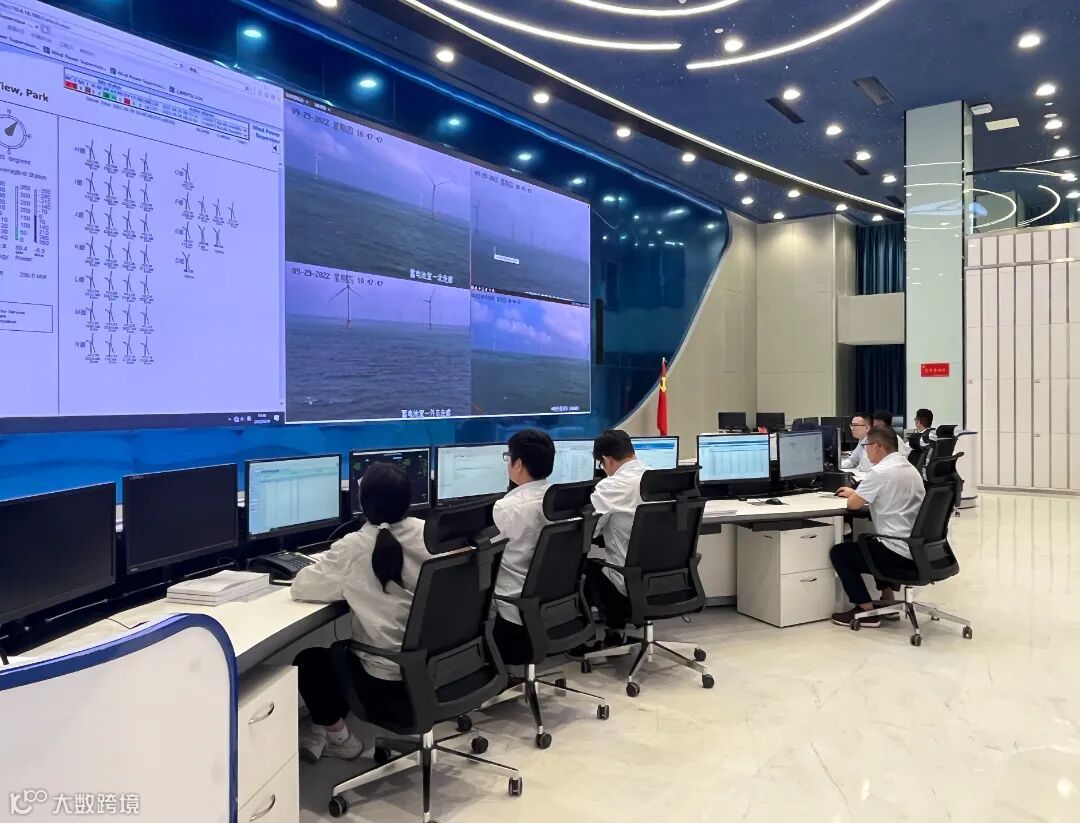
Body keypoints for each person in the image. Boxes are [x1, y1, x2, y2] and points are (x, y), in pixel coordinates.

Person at [290, 462, 426, 762]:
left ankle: (343, 741)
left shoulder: (353, 547)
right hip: (436, 670)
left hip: (385, 684)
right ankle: (324, 731)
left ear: (363, 503)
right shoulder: (429, 534)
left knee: (310, 662)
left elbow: (301, 587)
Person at [828, 426, 926, 628]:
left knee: (841, 553)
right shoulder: (909, 468)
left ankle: (865, 611)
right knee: (873, 541)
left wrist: (855, 494)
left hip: (898, 551)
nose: (865, 451)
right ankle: (888, 600)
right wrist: (860, 493)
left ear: (877, 446)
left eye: (866, 446)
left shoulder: (880, 472)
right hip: (919, 549)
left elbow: (853, 505)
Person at [490, 429, 555, 666]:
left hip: (514, 616)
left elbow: (483, 553)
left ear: (517, 464)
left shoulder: (506, 508)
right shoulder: (560, 500)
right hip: (555, 609)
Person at [583, 430, 648, 637]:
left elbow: (588, 531)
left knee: (580, 568)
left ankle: (596, 636)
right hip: (666, 579)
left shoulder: (610, 486)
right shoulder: (658, 478)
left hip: (626, 584)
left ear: (606, 460)